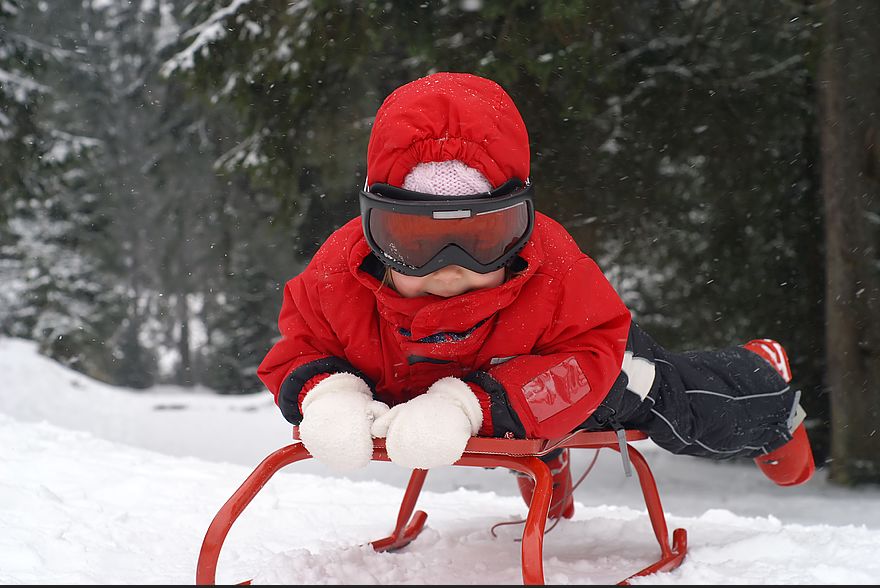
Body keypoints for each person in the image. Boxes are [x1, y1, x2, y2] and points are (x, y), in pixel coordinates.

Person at [257, 72, 814, 520]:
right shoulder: (339, 275)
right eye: (416, 242)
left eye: (481, 240)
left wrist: (471, 407)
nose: (449, 271)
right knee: (510, 413)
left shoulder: (555, 271)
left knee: (669, 400)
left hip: (574, 358)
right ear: (376, 230)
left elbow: (588, 357)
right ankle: (536, 446)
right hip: (451, 381)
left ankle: (762, 390)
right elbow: (301, 345)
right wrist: (327, 397)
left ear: (517, 229)